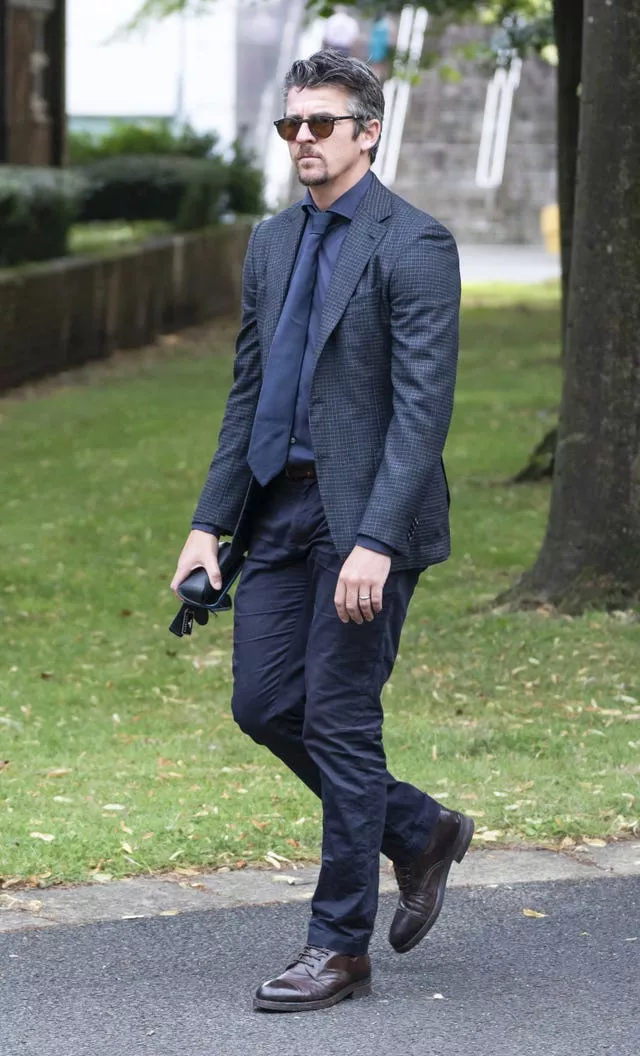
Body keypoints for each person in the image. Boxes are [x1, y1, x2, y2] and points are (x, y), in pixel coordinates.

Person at [170, 49, 473, 1013]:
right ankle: (419, 828)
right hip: (279, 507)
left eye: (321, 124)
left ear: (367, 132)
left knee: (341, 721)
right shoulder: (270, 241)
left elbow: (422, 414)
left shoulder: (413, 244)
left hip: (367, 517)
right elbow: (248, 388)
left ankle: (337, 945)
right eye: (290, 125)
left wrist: (376, 543)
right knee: (264, 705)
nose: (302, 139)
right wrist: (209, 522)